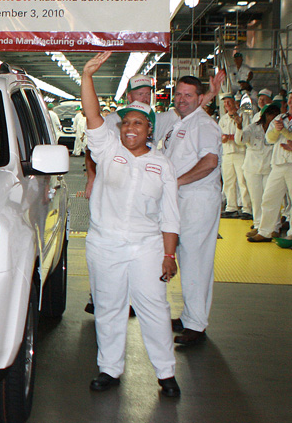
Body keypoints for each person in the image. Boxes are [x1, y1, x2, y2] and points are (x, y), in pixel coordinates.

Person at [80, 52, 181, 397]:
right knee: (109, 307)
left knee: (154, 308)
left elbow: (170, 214)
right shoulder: (109, 151)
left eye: (138, 123)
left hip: (146, 247)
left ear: (149, 129)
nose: (130, 129)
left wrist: (169, 255)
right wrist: (87, 77)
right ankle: (110, 368)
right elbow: (93, 116)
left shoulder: (162, 165)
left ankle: (166, 374)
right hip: (105, 244)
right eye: (125, 123)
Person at [155, 76, 222, 346]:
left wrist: (177, 182)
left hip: (197, 199)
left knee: (196, 259)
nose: (182, 100)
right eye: (179, 94)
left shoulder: (205, 125)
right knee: (183, 255)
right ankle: (189, 315)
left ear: (199, 98)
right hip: (179, 198)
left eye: (188, 95)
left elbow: (210, 161)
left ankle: (196, 325)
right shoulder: (181, 121)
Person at [248, 95, 292, 242]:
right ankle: (266, 231)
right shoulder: (281, 118)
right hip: (279, 163)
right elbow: (270, 139)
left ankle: (291, 233)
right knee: (269, 197)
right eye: (290, 99)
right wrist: (278, 130)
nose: (291, 102)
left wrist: (284, 132)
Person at [237, 104, 280, 237]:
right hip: (252, 169)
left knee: (270, 198)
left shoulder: (277, 129)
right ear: (264, 115)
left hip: (270, 168)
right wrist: (239, 126)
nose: (272, 117)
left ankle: (274, 227)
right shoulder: (253, 128)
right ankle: (258, 225)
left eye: (274, 113)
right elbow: (240, 140)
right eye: (269, 113)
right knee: (256, 199)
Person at [219, 93, 250, 219]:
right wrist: (223, 138)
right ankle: (231, 207)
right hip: (227, 152)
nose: (227, 105)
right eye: (225, 103)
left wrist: (230, 137)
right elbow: (219, 134)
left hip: (240, 152)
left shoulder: (244, 116)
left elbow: (246, 133)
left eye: (229, 102)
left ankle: (246, 207)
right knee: (228, 181)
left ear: (235, 103)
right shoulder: (223, 119)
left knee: (243, 180)